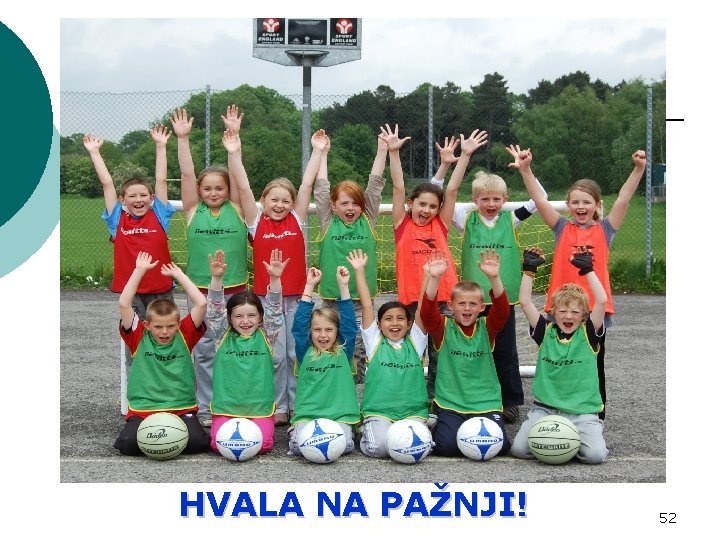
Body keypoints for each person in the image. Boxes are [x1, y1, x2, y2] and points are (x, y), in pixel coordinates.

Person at [509, 145, 647, 419]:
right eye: (575, 202)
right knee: (557, 359)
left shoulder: (605, 230)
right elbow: (539, 199)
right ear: (568, 205)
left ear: (597, 205)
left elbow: (624, 197)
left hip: (593, 309)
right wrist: (526, 170)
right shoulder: (562, 227)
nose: (581, 207)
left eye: (587, 202)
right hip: (561, 308)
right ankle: (556, 405)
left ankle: (595, 413)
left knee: (593, 361)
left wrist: (638, 169)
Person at [225, 105, 321, 427]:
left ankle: (298, 403)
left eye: (285, 200)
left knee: (297, 353)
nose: (279, 205)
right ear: (264, 201)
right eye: (273, 199)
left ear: (293, 205)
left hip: (298, 299)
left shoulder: (297, 219)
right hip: (268, 300)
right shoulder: (256, 221)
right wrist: (234, 151)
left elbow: (306, 185)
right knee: (276, 354)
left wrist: (317, 152)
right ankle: (278, 405)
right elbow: (243, 186)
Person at [383, 123, 488, 402]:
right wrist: (394, 152)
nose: (427, 210)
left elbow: (451, 190)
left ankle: (439, 400)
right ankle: (408, 399)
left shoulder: (440, 225)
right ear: (411, 204)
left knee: (441, 353)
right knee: (410, 353)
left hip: (442, 300)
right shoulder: (402, 225)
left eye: (432, 206)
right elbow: (398, 186)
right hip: (412, 302)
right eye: (422, 204)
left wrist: (465, 156)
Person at [170, 107, 250, 428]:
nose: (214, 193)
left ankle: (235, 400)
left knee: (236, 346)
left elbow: (241, 181)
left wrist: (234, 145)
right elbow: (187, 174)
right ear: (199, 192)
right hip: (201, 292)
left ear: (227, 190)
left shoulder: (237, 207)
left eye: (220, 188)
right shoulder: (193, 210)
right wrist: (183, 139)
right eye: (208, 188)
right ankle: (204, 406)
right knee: (204, 348)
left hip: (234, 289)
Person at [83, 127, 176, 378]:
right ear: (122, 200)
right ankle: (136, 388)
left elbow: (161, 180)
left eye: (143, 195)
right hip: (132, 293)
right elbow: (107, 184)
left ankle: (166, 383)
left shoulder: (159, 215)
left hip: (160, 289)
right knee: (136, 340)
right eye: (132, 196)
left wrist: (161, 146)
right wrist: (95, 152)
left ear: (152, 198)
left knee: (165, 337)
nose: (138, 199)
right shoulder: (117, 220)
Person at [511, 247, 609, 464]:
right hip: (545, 410)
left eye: (575, 312)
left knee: (594, 456)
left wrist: (588, 270)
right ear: (553, 312)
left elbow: (602, 301)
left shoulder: (588, 333)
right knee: (519, 450)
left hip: (582, 412)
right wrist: (529, 271)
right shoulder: (545, 331)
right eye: (563, 311)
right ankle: (566, 442)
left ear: (584, 315)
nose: (568, 316)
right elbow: (525, 302)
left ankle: (590, 431)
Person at [114, 251, 209, 456]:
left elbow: (201, 303)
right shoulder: (138, 336)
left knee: (198, 444)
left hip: (181, 407)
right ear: (147, 324)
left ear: (178, 324)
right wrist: (139, 271)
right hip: (144, 408)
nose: (164, 332)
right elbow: (124, 304)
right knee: (128, 445)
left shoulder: (185, 335)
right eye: (158, 327)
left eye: (170, 326)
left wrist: (179, 275)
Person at [419, 250, 511, 457]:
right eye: (461, 303)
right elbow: (427, 313)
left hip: (485, 402)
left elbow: (503, 310)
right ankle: (438, 423)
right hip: (451, 403)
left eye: (473, 304)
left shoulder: (487, 328)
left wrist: (494, 278)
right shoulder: (443, 327)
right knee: (447, 448)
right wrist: (434, 279)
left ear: (481, 307)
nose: (467, 308)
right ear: (451, 306)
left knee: (501, 447)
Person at [313, 129, 387, 384]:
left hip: (359, 301)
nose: (350, 208)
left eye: (355, 203)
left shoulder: (368, 218)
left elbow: (375, 186)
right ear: (334, 206)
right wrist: (322, 153)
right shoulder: (327, 221)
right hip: (331, 300)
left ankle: (359, 392)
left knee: (358, 348)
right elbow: (321, 189)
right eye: (344, 203)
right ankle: (332, 387)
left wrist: (382, 150)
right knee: (329, 345)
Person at [346, 249, 429, 458]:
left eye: (400, 318)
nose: (394, 323)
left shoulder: (416, 342)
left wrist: (428, 276)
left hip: (413, 413)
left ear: (409, 324)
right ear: (379, 324)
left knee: (415, 448)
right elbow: (367, 305)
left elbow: (422, 308)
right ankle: (367, 429)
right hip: (379, 412)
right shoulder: (374, 342)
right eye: (388, 319)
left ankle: (426, 423)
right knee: (380, 449)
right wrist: (359, 271)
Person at [205, 248, 288, 455]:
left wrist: (274, 279)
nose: (245, 321)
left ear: (261, 318)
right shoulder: (222, 334)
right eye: (238, 316)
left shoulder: (267, 334)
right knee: (219, 446)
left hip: (258, 408)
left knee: (263, 446)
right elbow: (214, 309)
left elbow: (274, 309)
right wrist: (216, 279)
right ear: (229, 319)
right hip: (227, 408)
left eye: (251, 315)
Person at [288, 266, 361, 457]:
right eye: (317, 330)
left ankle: (349, 431)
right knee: (297, 446)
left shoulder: (343, 350)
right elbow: (299, 325)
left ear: (337, 332)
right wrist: (309, 286)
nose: (323, 335)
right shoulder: (305, 351)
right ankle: (296, 429)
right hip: (309, 414)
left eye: (329, 330)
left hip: (340, 415)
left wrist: (343, 286)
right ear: (310, 332)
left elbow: (350, 325)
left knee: (345, 446)